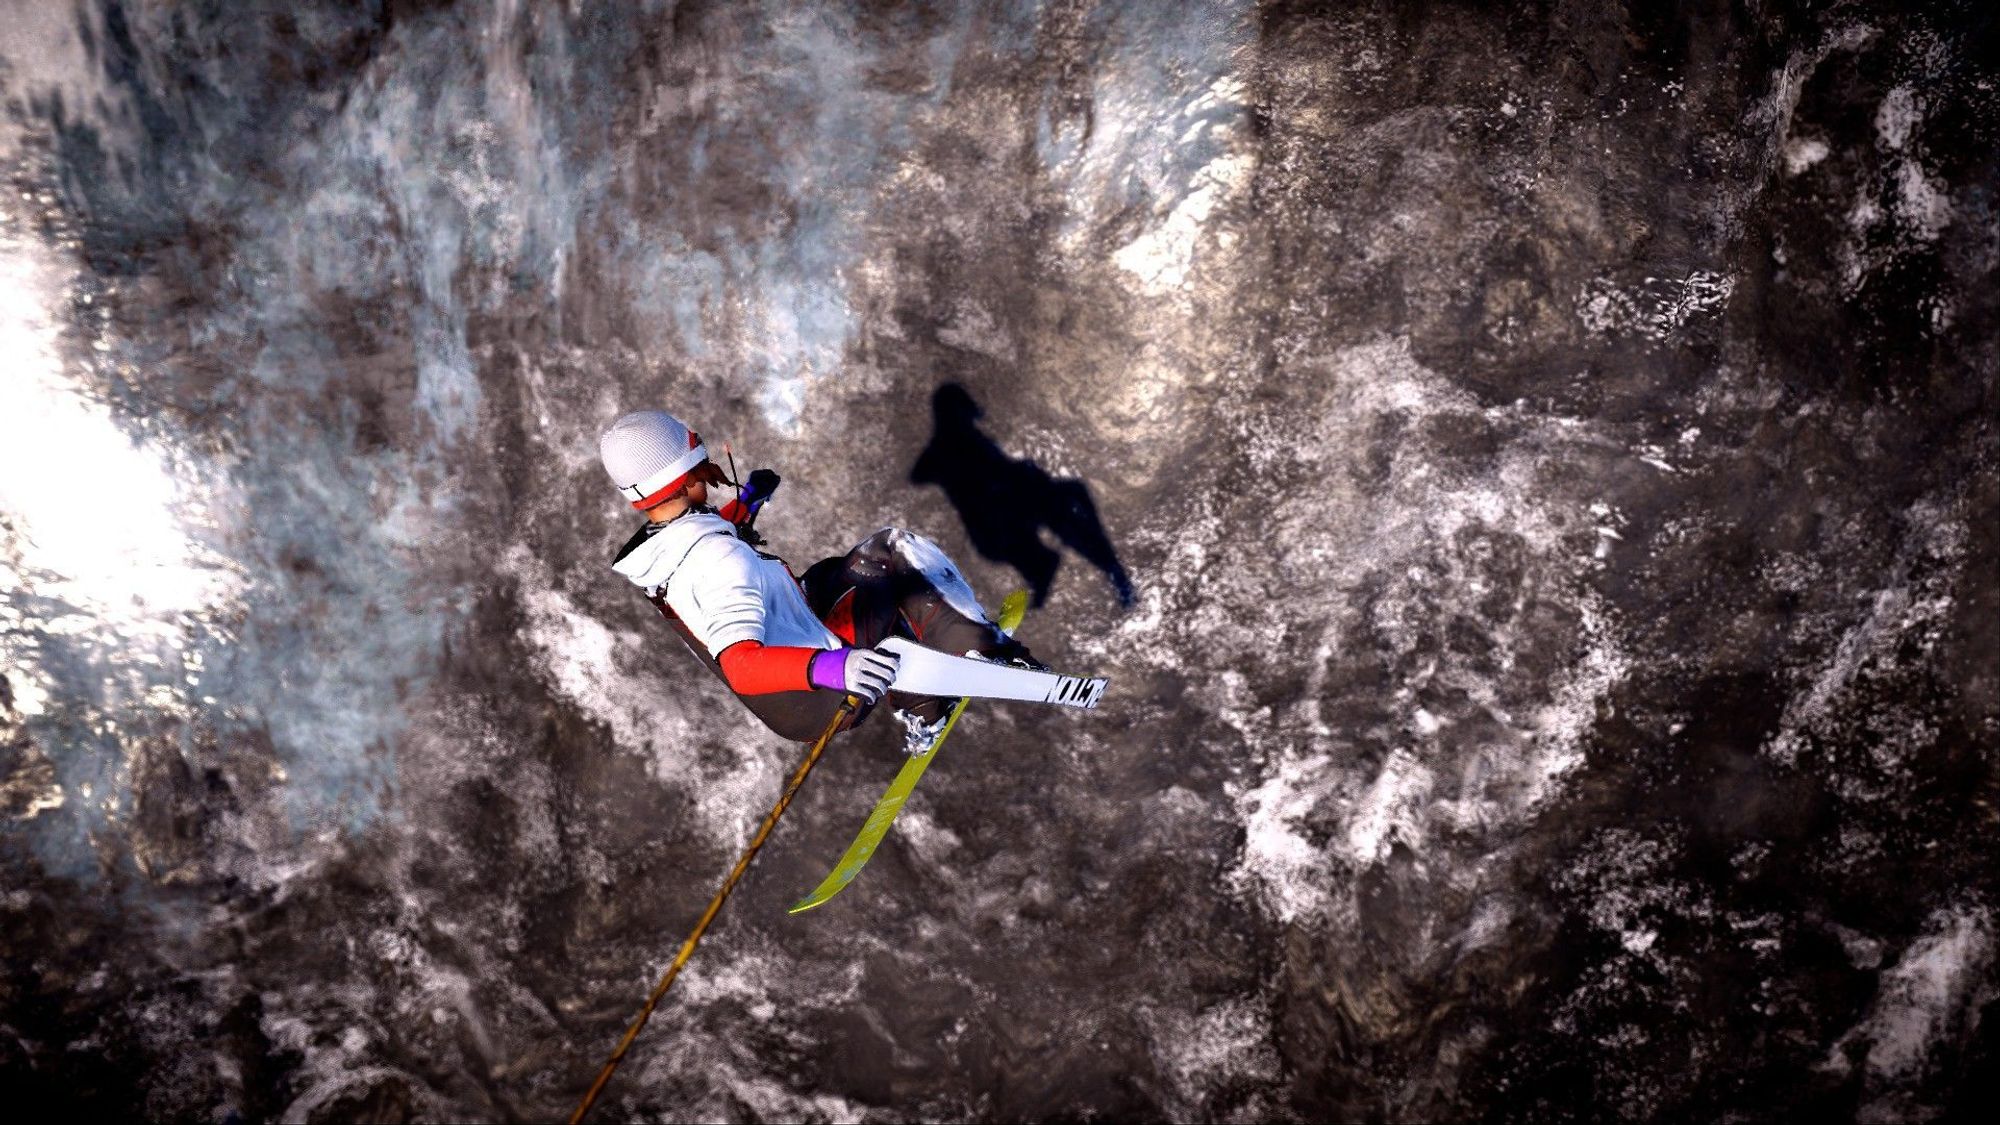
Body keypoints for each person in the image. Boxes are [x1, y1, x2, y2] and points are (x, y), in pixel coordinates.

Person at [600, 408, 1040, 752]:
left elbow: (709, 548)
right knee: (891, 554)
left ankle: (922, 695)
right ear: (684, 470)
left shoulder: (664, 550)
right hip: (824, 696)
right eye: (697, 451)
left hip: (789, 701)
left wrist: (748, 501)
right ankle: (982, 658)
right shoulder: (718, 560)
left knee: (832, 574)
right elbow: (742, 666)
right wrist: (836, 667)